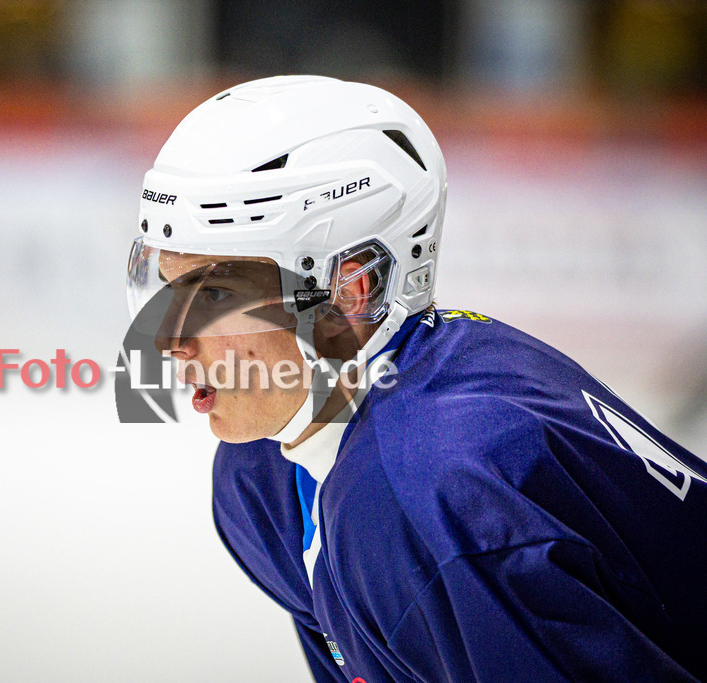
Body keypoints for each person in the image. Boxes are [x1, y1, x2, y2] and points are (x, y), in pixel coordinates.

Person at [124, 75, 707, 682]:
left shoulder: (435, 486)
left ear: (349, 292)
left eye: (215, 294)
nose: (169, 341)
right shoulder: (263, 478)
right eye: (166, 288)